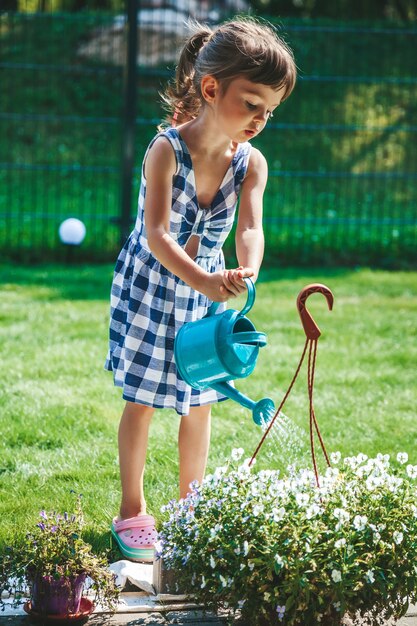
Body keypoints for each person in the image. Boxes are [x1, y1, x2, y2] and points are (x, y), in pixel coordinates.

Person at [105, 16, 297, 562]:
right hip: (151, 289)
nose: (260, 119)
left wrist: (247, 270)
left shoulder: (250, 164)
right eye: (251, 103)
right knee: (143, 399)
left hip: (202, 295)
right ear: (211, 89)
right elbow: (159, 235)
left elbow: (251, 228)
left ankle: (191, 510)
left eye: (270, 110)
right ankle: (132, 510)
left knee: (200, 401)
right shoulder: (165, 151)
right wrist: (208, 278)